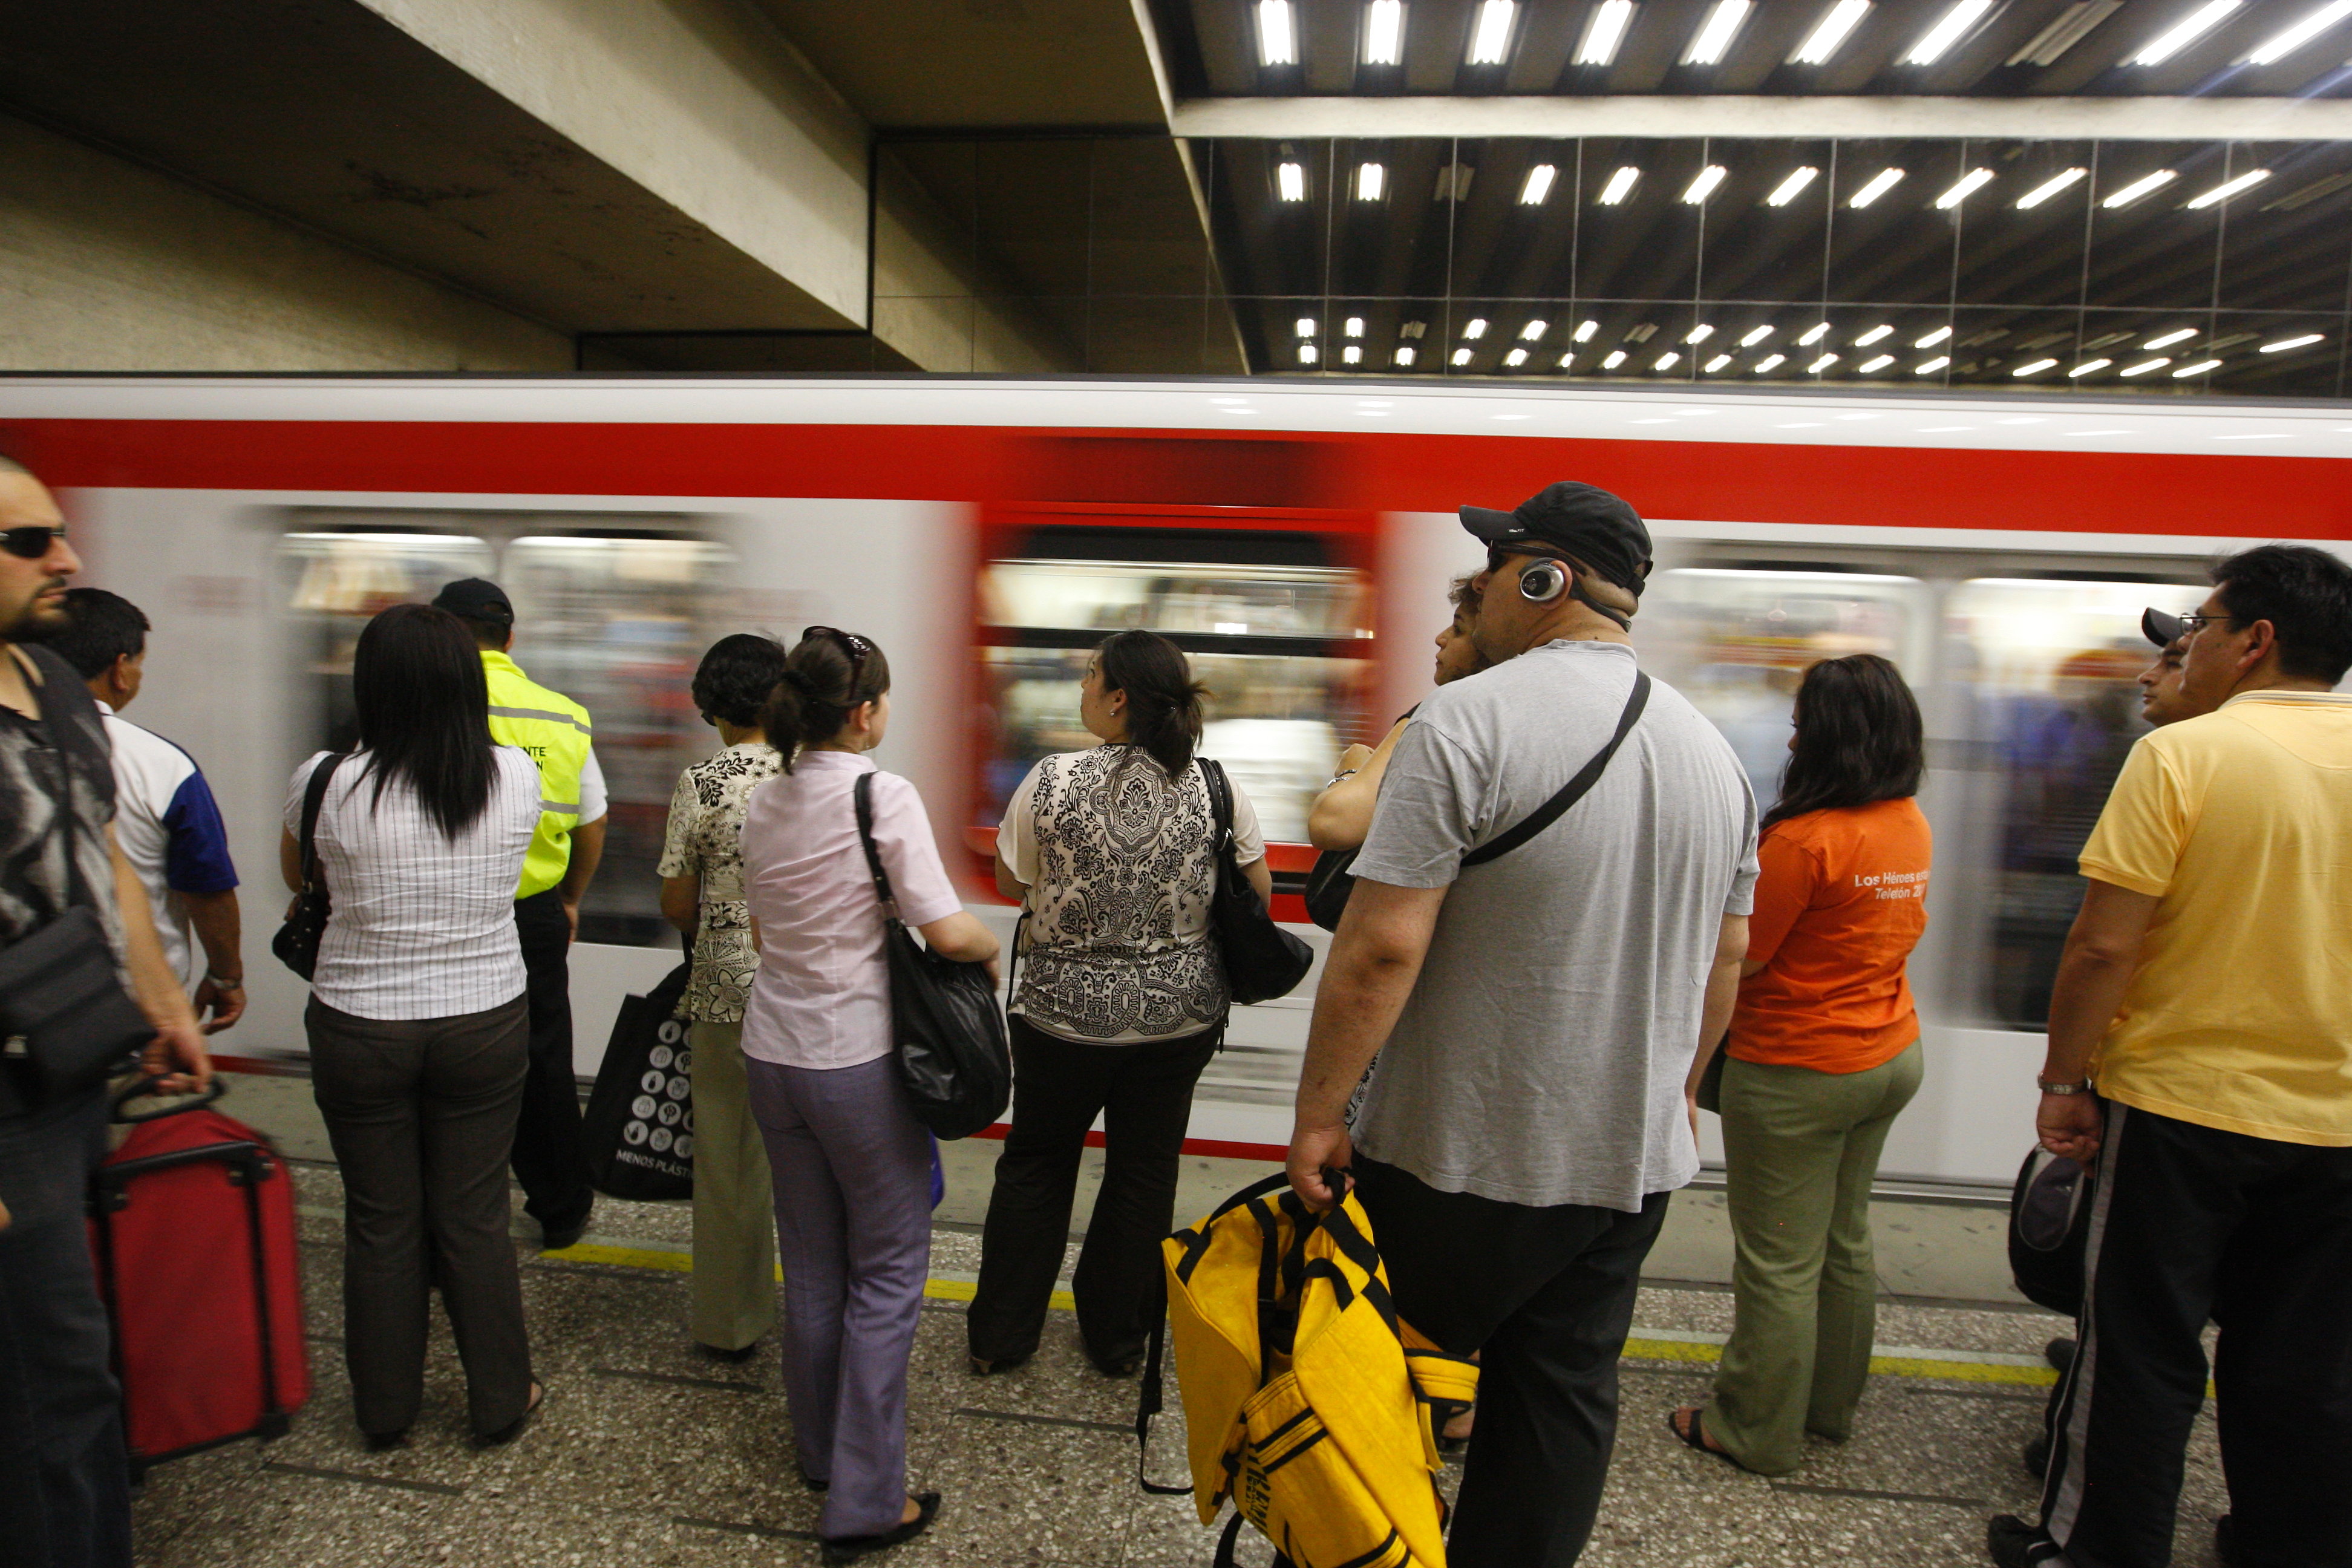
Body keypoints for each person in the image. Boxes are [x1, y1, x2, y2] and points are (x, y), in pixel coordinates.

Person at [1285, 482, 1758, 1568]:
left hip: (1460, 1158)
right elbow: (1725, 955)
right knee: (1558, 1402)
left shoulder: (1463, 721)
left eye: (1496, 570)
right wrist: (1677, 1093)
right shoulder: (1714, 757)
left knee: (1373, 1391)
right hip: (1628, 1166)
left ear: (1539, 580)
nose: (1479, 594)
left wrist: (1317, 1115)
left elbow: (1381, 943)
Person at [1988, 546, 2352, 1568]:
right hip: (2335, 1119)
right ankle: (2290, 1544)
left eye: (2202, 624)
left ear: (2255, 642)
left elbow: (2103, 943)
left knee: (2140, 1350)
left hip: (2181, 1112)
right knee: (2302, 1363)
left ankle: (2097, 1550)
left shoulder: (2182, 756)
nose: (2185, 646)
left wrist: (2063, 1080)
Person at [737, 627, 998, 1563]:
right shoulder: (879, 794)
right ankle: (863, 1501)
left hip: (774, 1053)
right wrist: (989, 948)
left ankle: (821, 1455)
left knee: (810, 1264)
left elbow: (768, 939)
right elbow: (946, 928)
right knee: (888, 1273)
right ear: (864, 712)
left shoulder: (764, 802)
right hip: (854, 1060)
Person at [0, 455, 211, 1567]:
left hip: (77, 1067)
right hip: (7, 1107)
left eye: (61, 534)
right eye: (29, 542)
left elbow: (110, 871)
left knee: (77, 1366)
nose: (68, 559)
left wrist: (165, 1001)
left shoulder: (52, 687)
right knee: (50, 1381)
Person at [968, 630, 1273, 1379]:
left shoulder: (1051, 779)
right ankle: (1117, 1337)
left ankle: (1003, 1337)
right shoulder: (1217, 785)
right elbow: (1257, 895)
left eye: (1088, 677)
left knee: (1037, 1166)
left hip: (1060, 1020)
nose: (1080, 690)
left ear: (1119, 698)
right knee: (1144, 1171)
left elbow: (1013, 882)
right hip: (1178, 1020)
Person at [282, 601, 546, 1450]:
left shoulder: (323, 779)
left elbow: (301, 871)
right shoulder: (514, 776)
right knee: (473, 1217)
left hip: (360, 1023)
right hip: (484, 1019)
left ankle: (384, 1411)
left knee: (381, 1219)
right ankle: (502, 1400)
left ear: (371, 686)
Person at [1669, 654, 1931, 1475]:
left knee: (1779, 1260)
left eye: (1801, 721)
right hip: (1887, 1055)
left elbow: (1740, 958)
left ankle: (1751, 1429)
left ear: (1828, 737)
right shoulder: (1907, 822)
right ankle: (1825, 1410)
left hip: (1796, 1074)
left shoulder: (1804, 840)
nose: (1789, 735)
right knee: (1844, 1242)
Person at [432, 578, 605, 1253]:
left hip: (440, 909)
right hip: (531, 911)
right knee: (541, 1057)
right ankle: (560, 1206)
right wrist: (569, 899)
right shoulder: (561, 716)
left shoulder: (417, 707)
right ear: (510, 639)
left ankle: (449, 1208)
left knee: (439, 1053)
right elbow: (592, 820)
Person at [658, 633, 786, 1362]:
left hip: (727, 991)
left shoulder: (703, 782)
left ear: (712, 705)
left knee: (728, 1161)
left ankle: (731, 1323)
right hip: (810, 991)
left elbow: (678, 903)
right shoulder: (817, 773)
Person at [43, 588, 244, 1033]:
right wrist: (225, 974)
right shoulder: (162, 764)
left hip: (26, 1002)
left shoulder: (13, 747)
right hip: (135, 1011)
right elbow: (207, 889)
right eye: (138, 662)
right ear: (119, 669)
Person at [1307, 575, 1488, 854]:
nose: (1441, 638)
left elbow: (1333, 824)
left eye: (1459, 630)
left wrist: (1352, 772)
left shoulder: (1443, 714)